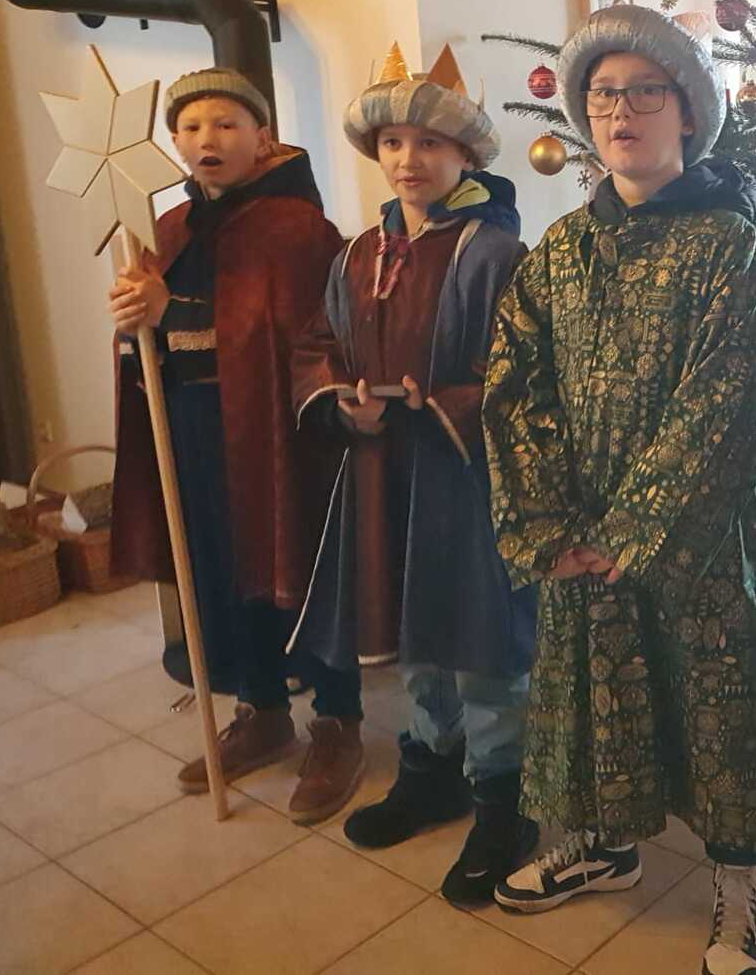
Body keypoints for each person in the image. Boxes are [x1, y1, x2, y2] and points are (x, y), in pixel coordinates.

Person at [482, 4, 756, 975]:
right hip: (580, 533)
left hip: (698, 540)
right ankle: (601, 842)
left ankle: (745, 879)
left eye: (645, 93)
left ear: (687, 112)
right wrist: (551, 523)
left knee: (721, 704)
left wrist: (635, 526)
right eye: (605, 95)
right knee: (590, 692)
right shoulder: (561, 250)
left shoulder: (726, 244)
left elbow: (729, 397)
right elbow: (515, 383)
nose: (621, 112)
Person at [289, 44, 538, 901]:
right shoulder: (357, 253)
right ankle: (432, 768)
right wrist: (338, 399)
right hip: (383, 478)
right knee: (414, 634)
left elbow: (525, 371)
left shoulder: (492, 253)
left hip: (465, 482)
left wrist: (441, 405)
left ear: (467, 154)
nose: (409, 159)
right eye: (393, 143)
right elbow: (318, 343)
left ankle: (505, 801)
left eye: (430, 142)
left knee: (479, 641)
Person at [109, 68, 360, 817]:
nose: (206, 139)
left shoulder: (296, 228)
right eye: (190, 127)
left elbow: (288, 332)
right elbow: (153, 334)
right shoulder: (170, 227)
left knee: (299, 562)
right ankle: (262, 707)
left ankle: (338, 722)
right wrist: (134, 322)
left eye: (225, 124)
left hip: (278, 432)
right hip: (194, 424)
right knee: (223, 566)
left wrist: (174, 307)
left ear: (262, 137)